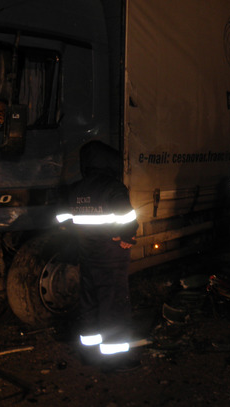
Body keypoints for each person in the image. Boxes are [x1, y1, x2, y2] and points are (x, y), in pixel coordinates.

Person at [55, 142, 140, 371]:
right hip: (111, 257)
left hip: (87, 256)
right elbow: (128, 220)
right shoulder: (113, 187)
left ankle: (90, 354)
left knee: (89, 304)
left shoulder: (76, 189)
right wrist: (127, 237)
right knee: (113, 307)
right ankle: (115, 361)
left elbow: (63, 220)